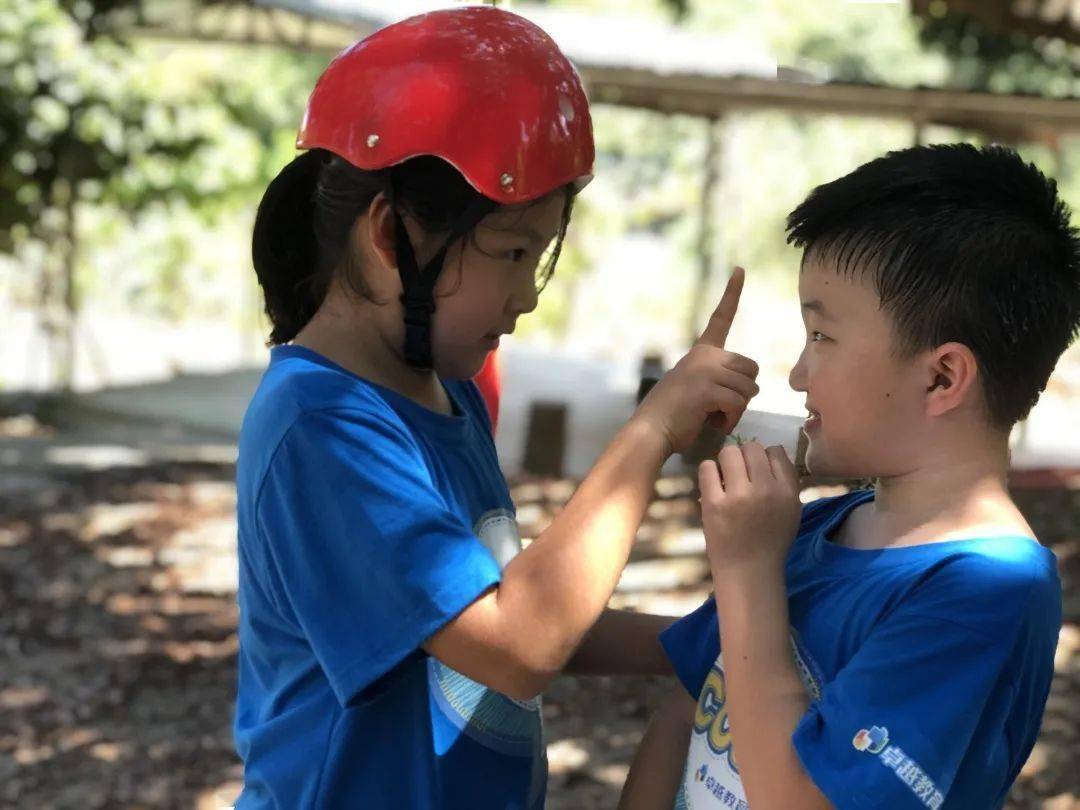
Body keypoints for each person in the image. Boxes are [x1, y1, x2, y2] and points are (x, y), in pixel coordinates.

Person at [232, 7, 762, 809]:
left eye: (538, 257)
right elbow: (518, 643)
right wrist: (652, 430)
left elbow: (511, 609)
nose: (526, 295)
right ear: (391, 237)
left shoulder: (443, 394)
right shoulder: (321, 426)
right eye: (513, 252)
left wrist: (715, 640)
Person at [619, 143, 1075, 810]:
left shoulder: (988, 592)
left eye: (821, 337)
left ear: (941, 377)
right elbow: (689, 702)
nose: (798, 374)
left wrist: (746, 571)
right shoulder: (810, 527)